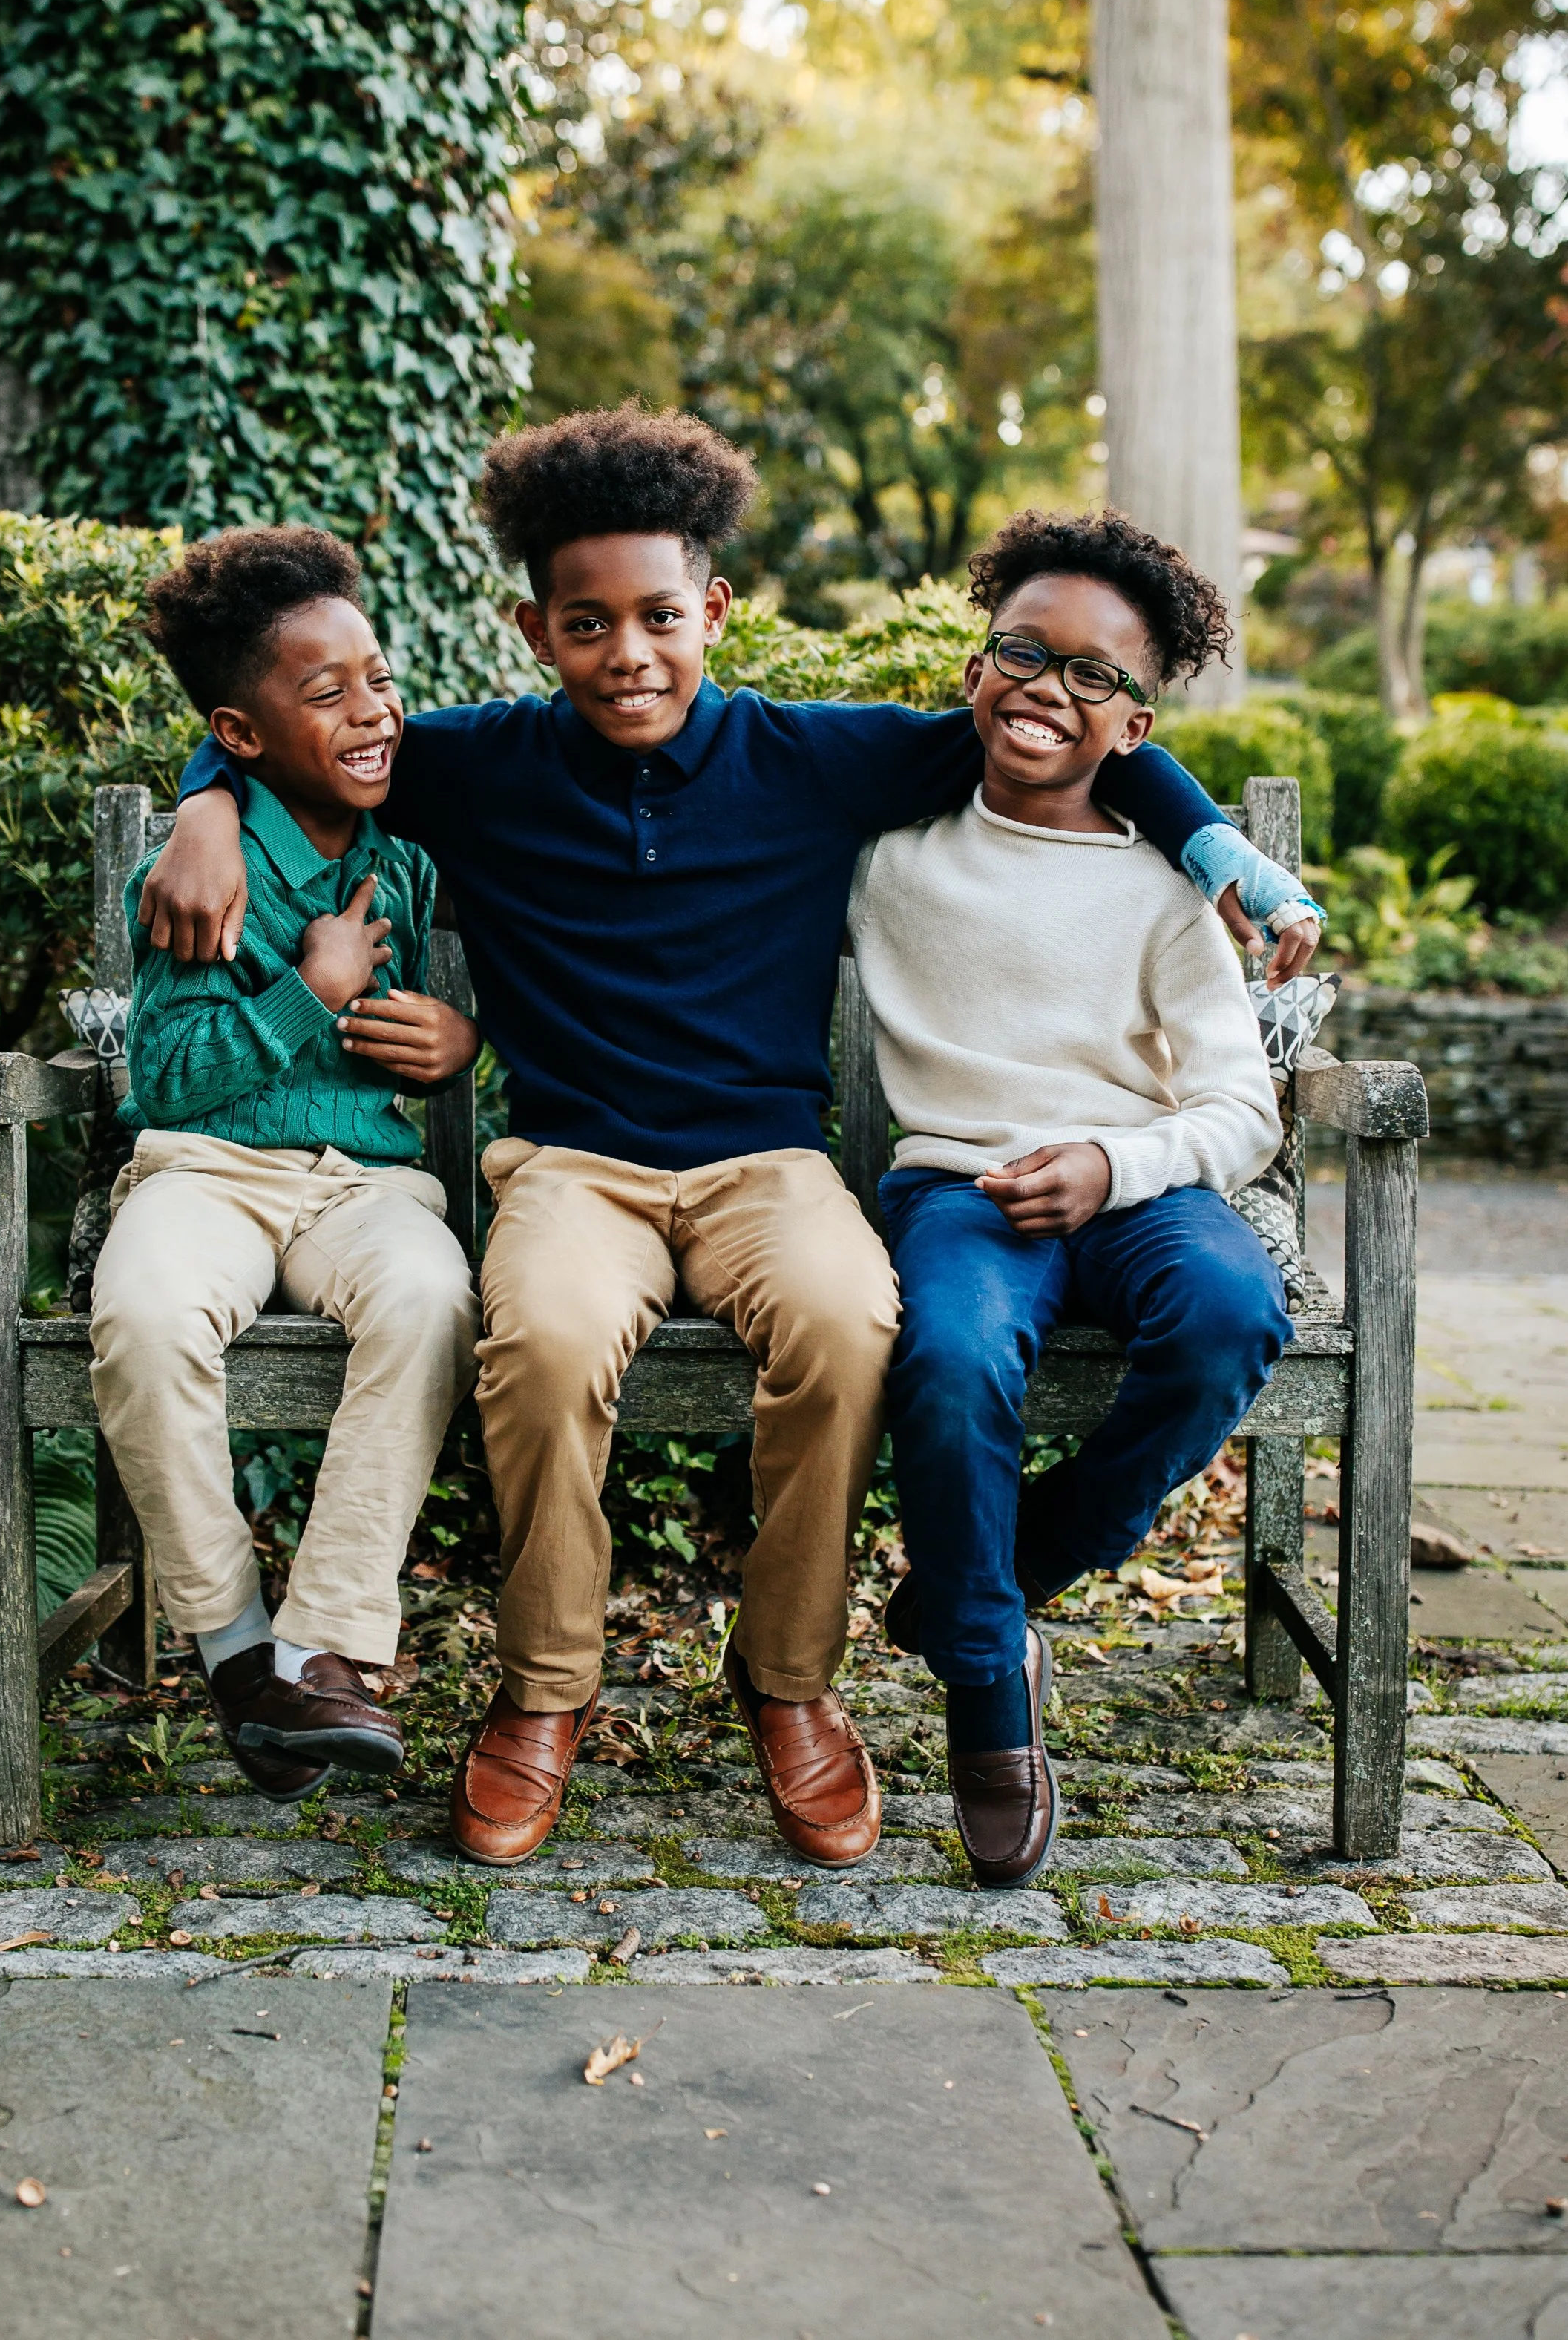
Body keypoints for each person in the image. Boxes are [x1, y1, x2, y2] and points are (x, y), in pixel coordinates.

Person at [140, 408, 1319, 1866]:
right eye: (586, 624)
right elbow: (304, 748)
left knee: (843, 1324)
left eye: (655, 617)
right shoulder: (480, 766)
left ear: (712, 611)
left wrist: (1210, 846)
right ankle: (543, 1695)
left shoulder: (814, 760)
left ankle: (788, 1684)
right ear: (534, 629)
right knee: (548, 1340)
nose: (626, 653)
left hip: (770, 1168)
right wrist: (203, 807)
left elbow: (1055, 726)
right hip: (574, 1170)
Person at [853, 508, 1295, 1889]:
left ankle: (1022, 1563)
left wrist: (1116, 1163)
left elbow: (1243, 1107)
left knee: (1232, 1311)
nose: (1049, 685)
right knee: (949, 1356)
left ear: (1135, 726)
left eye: (1093, 674)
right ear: (977, 670)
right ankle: (991, 1694)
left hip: (1139, 1185)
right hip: (963, 1188)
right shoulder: (888, 848)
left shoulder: (1168, 890)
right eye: (1022, 652)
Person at [89, 526, 481, 1800]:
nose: (371, 711)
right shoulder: (201, 871)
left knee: (430, 1300)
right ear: (239, 732)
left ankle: (322, 1655)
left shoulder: (405, 847)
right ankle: (237, 1649)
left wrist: (461, 1040)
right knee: (143, 1315)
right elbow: (167, 1077)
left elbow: (483, 1009)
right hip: (206, 1169)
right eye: (327, 694)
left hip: (368, 1185)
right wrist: (310, 990)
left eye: (377, 677)